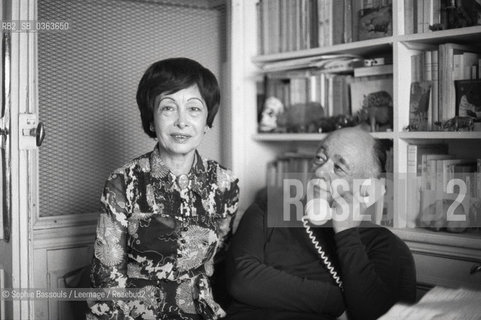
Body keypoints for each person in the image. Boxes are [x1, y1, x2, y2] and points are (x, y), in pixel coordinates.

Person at [87, 58, 239, 320]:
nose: (182, 121)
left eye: (194, 109)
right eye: (168, 107)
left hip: (201, 311)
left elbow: (219, 258)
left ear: (207, 120)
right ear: (152, 117)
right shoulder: (122, 181)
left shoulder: (225, 183)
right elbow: (108, 275)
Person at [225, 127, 416, 320]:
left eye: (339, 167)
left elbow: (377, 315)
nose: (320, 171)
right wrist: (338, 303)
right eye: (320, 158)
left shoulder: (387, 247)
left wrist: (346, 233)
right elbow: (240, 280)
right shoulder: (265, 211)